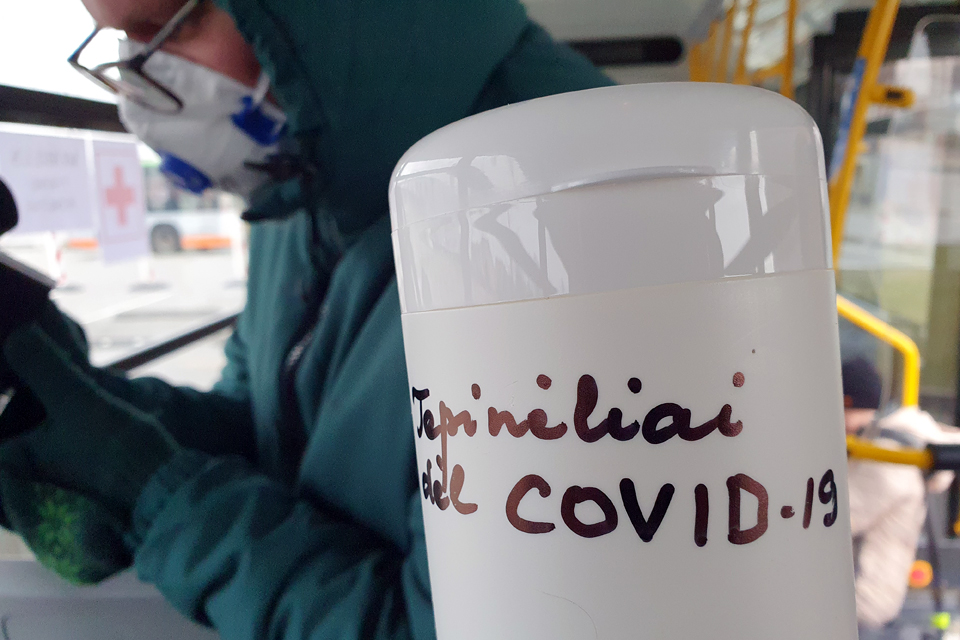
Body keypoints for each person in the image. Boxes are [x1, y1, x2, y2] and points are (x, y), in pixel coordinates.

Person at [0, 0, 613, 637]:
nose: (140, 84)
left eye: (172, 26)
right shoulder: (305, 180)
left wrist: (157, 499)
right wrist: (80, 405)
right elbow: (270, 431)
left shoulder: (576, 206)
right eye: (123, 45)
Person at [843, 357, 960, 634]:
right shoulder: (896, 445)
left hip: (858, 602)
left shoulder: (886, 457)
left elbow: (838, 521)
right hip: (869, 598)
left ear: (848, 403)